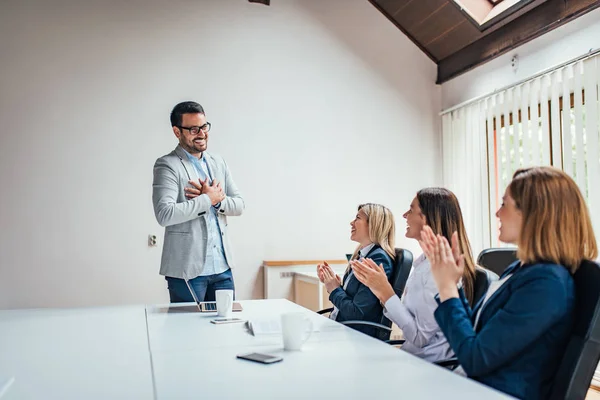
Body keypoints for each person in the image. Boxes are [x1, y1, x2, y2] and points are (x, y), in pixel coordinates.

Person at [422, 166, 598, 400]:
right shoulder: (521, 269)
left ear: (534, 214)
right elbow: (474, 334)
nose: (497, 212)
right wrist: (451, 283)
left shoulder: (547, 284)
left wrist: (446, 288)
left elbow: (475, 358)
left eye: (505, 204)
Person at [351, 188, 476, 361]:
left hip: (427, 366)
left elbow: (419, 338)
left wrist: (385, 292)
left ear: (428, 218)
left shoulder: (439, 271)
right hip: (411, 357)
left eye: (411, 210)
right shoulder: (423, 263)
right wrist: (381, 291)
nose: (404, 215)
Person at [152, 101, 244, 303]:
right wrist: (207, 199)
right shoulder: (167, 165)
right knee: (187, 333)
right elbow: (164, 214)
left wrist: (218, 202)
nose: (201, 133)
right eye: (193, 129)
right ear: (177, 132)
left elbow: (239, 204)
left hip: (223, 268)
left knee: (225, 330)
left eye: (204, 127)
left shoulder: (218, 162)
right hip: (187, 272)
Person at [317, 203, 395, 338]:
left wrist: (335, 290)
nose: (351, 223)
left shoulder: (377, 259)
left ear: (373, 224)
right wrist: (334, 285)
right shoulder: (362, 255)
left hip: (354, 337)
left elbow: (356, 312)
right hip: (342, 328)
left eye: (358, 218)